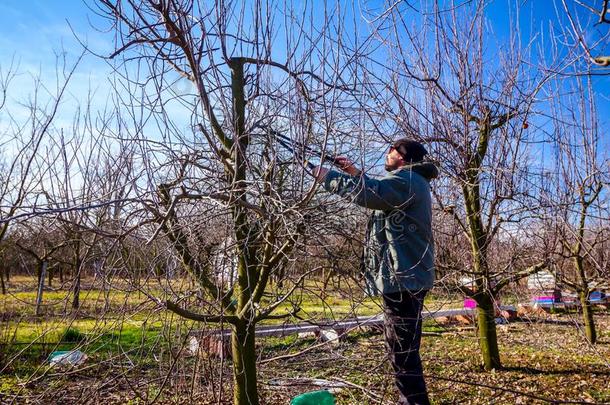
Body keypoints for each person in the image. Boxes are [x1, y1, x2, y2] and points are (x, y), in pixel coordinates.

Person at [313, 138, 438, 405]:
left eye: (391, 151)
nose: (387, 154)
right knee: (404, 351)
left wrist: (327, 177)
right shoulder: (412, 182)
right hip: (408, 278)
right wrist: (354, 173)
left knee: (402, 354)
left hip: (404, 279)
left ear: (402, 157)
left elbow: (374, 193)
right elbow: (381, 191)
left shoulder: (407, 181)